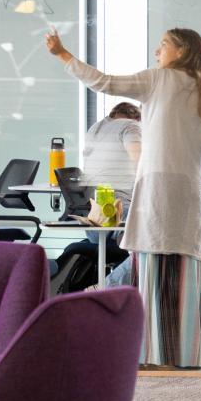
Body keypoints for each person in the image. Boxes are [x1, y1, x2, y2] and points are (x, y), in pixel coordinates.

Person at [46, 27, 201, 368]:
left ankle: (151, 354)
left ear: (181, 50)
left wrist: (63, 54)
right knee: (186, 266)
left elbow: (104, 82)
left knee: (151, 265)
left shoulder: (158, 79)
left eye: (163, 45)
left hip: (157, 186)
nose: (156, 51)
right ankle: (186, 355)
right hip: (189, 188)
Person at [53, 102, 142, 290]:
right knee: (148, 247)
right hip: (116, 211)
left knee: (143, 243)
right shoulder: (130, 126)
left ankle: (115, 289)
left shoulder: (95, 128)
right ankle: (105, 288)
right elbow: (140, 162)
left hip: (93, 218)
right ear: (137, 117)